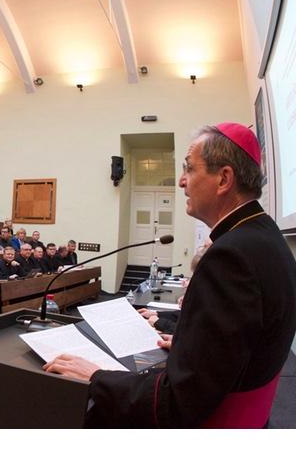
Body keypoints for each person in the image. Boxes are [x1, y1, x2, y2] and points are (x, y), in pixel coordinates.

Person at [44, 123, 296, 428]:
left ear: (224, 179)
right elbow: (240, 345)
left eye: (189, 169)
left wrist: (96, 377)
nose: (181, 181)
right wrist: (193, 344)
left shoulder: (231, 256)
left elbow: (177, 402)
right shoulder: (264, 237)